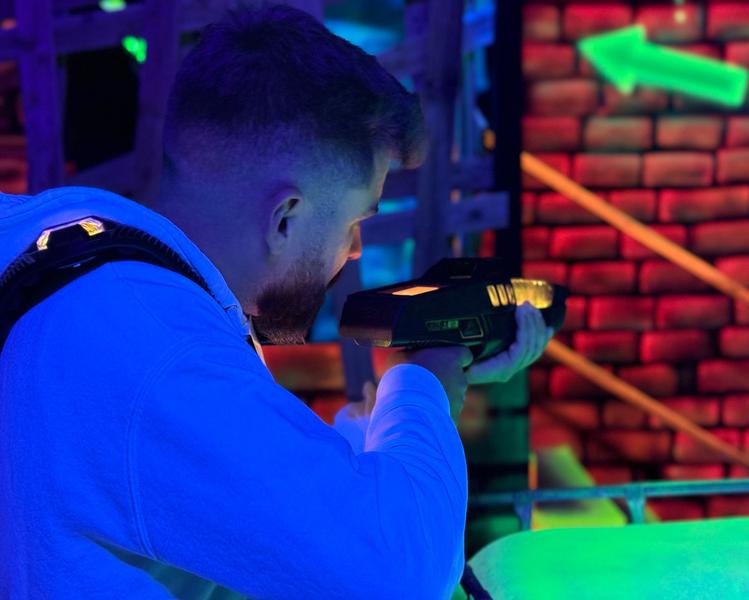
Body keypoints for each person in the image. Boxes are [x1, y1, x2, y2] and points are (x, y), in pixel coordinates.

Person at [0, 4, 552, 599]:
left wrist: (382, 424)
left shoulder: (63, 246)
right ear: (285, 217)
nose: (356, 250)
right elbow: (401, 575)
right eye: (355, 221)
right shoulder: (167, 355)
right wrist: (423, 384)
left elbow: (219, 483)